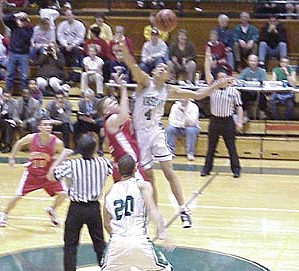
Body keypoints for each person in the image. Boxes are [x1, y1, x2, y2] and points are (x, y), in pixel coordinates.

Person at [119, 40, 229, 228]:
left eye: (165, 68)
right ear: (153, 72)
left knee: (169, 171)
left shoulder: (169, 90)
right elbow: (132, 65)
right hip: (140, 135)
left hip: (155, 131)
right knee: (149, 177)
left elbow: (197, 95)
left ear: (169, 75)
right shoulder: (145, 82)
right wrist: (123, 49)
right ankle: (155, 214)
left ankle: (183, 209)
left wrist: (217, 85)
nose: (162, 68)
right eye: (159, 67)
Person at [77, 154, 185, 271]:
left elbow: (106, 222)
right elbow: (152, 208)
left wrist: (117, 239)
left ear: (118, 171)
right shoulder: (143, 185)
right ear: (136, 168)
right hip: (139, 239)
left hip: (117, 241)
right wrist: (162, 231)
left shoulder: (110, 192)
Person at [47, 133, 113, 271]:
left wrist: (61, 156)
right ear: (95, 149)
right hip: (93, 207)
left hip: (76, 209)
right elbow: (112, 168)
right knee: (99, 243)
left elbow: (50, 176)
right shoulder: (103, 163)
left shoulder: (72, 164)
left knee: (70, 247)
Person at [0, 116, 67, 227]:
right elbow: (19, 143)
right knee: (17, 195)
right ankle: (3, 213)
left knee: (63, 194)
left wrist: (57, 167)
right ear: (39, 127)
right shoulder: (31, 137)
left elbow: (64, 155)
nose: (48, 127)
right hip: (32, 174)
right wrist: (12, 157)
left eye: (50, 125)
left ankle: (52, 210)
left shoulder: (57, 142)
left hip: (48, 175)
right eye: (45, 125)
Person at [201, 50, 243, 178]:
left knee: (231, 147)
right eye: (219, 78)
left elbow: (239, 107)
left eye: (223, 77)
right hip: (214, 121)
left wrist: (239, 122)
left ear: (227, 79)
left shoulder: (234, 91)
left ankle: (236, 170)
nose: (221, 80)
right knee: (211, 147)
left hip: (228, 121)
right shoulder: (213, 88)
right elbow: (208, 73)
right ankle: (206, 169)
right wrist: (207, 58)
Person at [97, 74, 147, 182]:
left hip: (128, 165)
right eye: (111, 103)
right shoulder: (111, 119)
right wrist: (123, 89)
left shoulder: (116, 121)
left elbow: (126, 113)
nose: (115, 101)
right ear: (106, 111)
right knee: (145, 192)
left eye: (114, 100)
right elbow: (124, 114)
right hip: (127, 169)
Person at [0, 0, 34, 91]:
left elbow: (27, 38)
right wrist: (16, 15)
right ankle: (8, 92)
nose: (23, 22)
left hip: (24, 54)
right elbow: (5, 19)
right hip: (13, 53)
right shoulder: (14, 25)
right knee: (10, 74)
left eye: (24, 20)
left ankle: (24, 94)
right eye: (22, 20)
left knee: (24, 76)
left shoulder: (30, 28)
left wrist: (21, 27)